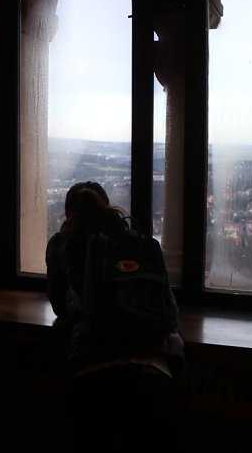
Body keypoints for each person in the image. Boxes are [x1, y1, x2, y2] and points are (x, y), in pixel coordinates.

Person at [46, 181, 185, 453]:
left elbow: (60, 305)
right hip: (155, 369)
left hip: (92, 369)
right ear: (106, 205)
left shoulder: (64, 243)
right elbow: (169, 308)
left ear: (67, 213)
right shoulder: (137, 242)